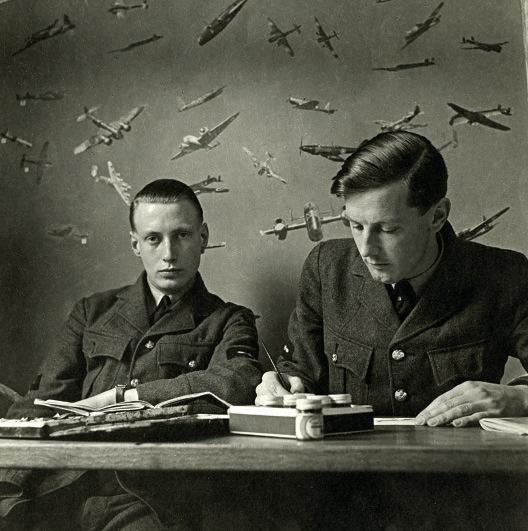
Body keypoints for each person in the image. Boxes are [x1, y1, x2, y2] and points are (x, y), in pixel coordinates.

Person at [0, 179, 261, 530]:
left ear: (203, 237)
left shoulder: (229, 320)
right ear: (135, 244)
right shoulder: (92, 312)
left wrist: (125, 397)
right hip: (61, 488)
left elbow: (238, 384)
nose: (169, 253)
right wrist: (9, 484)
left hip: (150, 497)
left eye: (182, 235)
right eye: (153, 238)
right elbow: (41, 403)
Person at [256, 131, 528, 426]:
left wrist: (520, 398)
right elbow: (301, 372)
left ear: (437, 216)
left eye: (387, 229)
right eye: (355, 226)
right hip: (348, 456)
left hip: (460, 456)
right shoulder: (326, 268)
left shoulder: (505, 275)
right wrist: (282, 385)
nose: (366, 250)